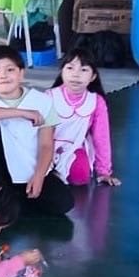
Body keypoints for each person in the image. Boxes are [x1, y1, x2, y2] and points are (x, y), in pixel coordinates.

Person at [0, 45, 74, 216]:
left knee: (63, 203)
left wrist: (39, 176)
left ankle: (12, 200)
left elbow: (46, 145)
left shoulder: (42, 101)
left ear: (21, 73)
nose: (3, 75)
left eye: (10, 69)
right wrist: (21, 113)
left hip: (29, 172)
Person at [49, 48, 120, 187]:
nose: (76, 75)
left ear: (93, 76)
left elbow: (101, 137)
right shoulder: (49, 97)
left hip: (74, 147)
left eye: (84, 70)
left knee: (81, 176)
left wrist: (104, 171)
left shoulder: (96, 101)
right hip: (46, 146)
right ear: (62, 71)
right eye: (70, 68)